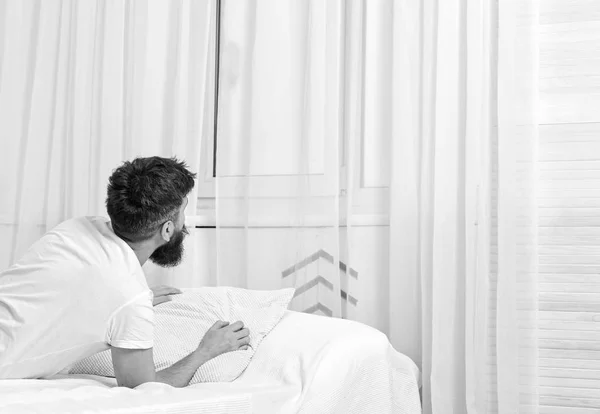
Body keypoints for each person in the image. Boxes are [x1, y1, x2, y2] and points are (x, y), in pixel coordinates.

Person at [0, 156, 249, 388]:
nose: (186, 221)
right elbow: (142, 388)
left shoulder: (75, 228)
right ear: (167, 230)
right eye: (183, 211)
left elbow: (62, 290)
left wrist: (130, 301)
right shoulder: (129, 297)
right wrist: (205, 351)